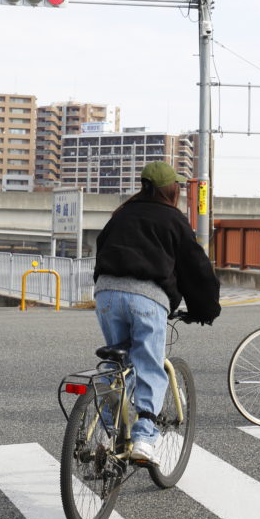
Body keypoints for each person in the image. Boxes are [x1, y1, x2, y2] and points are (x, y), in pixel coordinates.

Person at [93, 161, 221, 465]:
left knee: (118, 363)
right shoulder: (173, 219)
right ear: (171, 189)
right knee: (149, 366)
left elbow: (102, 248)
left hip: (106, 293)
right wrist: (205, 309)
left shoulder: (121, 214)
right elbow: (196, 267)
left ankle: (103, 432)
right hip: (147, 298)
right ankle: (144, 438)